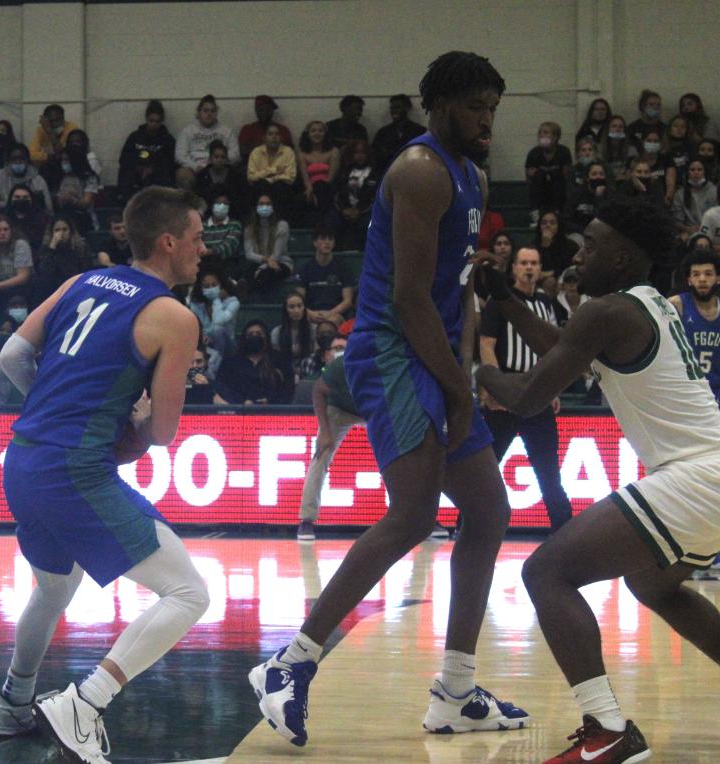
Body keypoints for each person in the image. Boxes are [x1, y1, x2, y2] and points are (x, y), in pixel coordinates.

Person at [249, 51, 527, 748]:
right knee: (412, 515)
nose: (486, 121)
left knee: (489, 508)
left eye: (492, 108)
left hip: (432, 349)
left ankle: (457, 691)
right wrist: (455, 387)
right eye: (473, 108)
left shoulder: (473, 174)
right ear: (437, 107)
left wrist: (463, 376)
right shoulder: (419, 171)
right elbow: (407, 298)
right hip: (393, 349)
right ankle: (290, 663)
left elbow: (457, 290)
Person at [474, 197, 720, 763]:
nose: (579, 252)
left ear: (623, 254)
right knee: (654, 586)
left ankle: (607, 729)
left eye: (592, 243)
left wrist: (477, 371)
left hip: (699, 477)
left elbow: (528, 394)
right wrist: (507, 302)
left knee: (545, 572)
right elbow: (565, 351)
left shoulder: (607, 311)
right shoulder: (646, 304)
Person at [0, 186, 210, 763]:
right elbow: (160, 433)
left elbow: (11, 356)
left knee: (55, 587)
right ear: (168, 242)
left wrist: (56, 409)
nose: (203, 250)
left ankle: (13, 702)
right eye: (198, 238)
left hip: (24, 459)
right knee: (188, 593)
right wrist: (117, 424)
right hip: (71, 470)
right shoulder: (174, 317)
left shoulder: (80, 282)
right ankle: (85, 703)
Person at [479, 246, 573, 532]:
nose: (529, 268)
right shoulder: (500, 302)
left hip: (537, 393)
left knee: (548, 472)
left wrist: (553, 388)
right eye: (523, 263)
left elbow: (552, 350)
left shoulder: (548, 304)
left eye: (534, 263)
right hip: (506, 391)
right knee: (486, 468)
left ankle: (564, 532)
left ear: (540, 267)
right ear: (514, 268)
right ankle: (467, 526)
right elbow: (486, 344)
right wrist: (495, 387)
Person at [668, 248, 720, 419]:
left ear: (718, 278)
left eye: (708, 273)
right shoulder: (675, 305)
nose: (702, 279)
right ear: (689, 280)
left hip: (714, 393)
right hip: (682, 392)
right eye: (696, 274)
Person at [296, 333, 363, 538]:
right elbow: (318, 391)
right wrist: (325, 432)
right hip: (339, 408)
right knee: (321, 454)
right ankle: (306, 520)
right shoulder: (340, 364)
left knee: (402, 456)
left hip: (375, 410)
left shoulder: (385, 364)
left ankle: (422, 518)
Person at [213, 319, 294, 405]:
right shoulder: (231, 360)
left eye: (259, 334)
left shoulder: (280, 359)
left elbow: (288, 388)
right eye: (250, 334)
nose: (254, 336)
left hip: (272, 411)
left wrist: (271, 401)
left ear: (266, 336)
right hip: (238, 410)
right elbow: (221, 386)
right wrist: (241, 401)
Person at [175, 95, 240, 189]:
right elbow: (180, 155)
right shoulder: (187, 131)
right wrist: (195, 166)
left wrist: (219, 162)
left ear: (216, 113)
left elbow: (236, 154)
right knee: (182, 174)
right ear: (199, 112)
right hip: (195, 168)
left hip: (220, 167)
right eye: (205, 111)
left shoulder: (226, 131)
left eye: (212, 111)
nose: (209, 114)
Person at [295, 225, 355, 327]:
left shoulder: (343, 267)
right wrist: (310, 313)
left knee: (332, 323)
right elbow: (298, 299)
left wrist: (329, 314)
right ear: (315, 243)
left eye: (330, 239)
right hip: (312, 314)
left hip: (336, 314)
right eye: (323, 239)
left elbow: (347, 301)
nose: (327, 242)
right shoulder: (305, 269)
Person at [32, 215, 92, 307]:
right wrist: (52, 247)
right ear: (52, 233)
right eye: (57, 230)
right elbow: (45, 273)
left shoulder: (80, 248)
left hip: (75, 290)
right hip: (52, 292)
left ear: (70, 232)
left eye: (64, 229)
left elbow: (85, 272)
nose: (61, 233)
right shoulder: (46, 250)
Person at [118, 100, 177, 194]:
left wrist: (153, 169)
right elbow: (124, 158)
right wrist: (138, 168)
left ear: (162, 121)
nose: (154, 124)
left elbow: (170, 163)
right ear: (146, 119)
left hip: (158, 176)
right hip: (136, 172)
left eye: (157, 121)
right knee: (126, 172)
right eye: (151, 120)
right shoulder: (134, 137)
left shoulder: (168, 140)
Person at [0, 144, 53, 216]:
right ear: (8, 161)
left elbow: (49, 209)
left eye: (21, 158)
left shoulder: (38, 180)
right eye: (14, 159)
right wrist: (10, 203)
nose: (18, 162)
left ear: (27, 160)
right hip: (7, 219)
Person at [243, 193, 292, 295]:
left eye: (268, 204)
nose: (264, 206)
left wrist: (261, 269)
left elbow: (276, 255)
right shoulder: (249, 229)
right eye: (261, 204)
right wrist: (264, 261)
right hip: (259, 263)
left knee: (266, 274)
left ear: (273, 207)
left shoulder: (282, 226)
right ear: (256, 207)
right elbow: (249, 254)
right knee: (245, 272)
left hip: (280, 263)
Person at [526, 121, 572, 226]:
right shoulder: (534, 153)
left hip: (558, 188)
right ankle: (535, 214)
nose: (542, 135)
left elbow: (567, 175)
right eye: (540, 132)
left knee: (556, 176)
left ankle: (558, 212)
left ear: (555, 137)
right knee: (539, 175)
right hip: (540, 189)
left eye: (546, 132)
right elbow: (529, 176)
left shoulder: (563, 151)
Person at [246, 123, 297, 212]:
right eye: (270, 134)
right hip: (261, 187)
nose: (274, 137)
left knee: (278, 186)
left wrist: (267, 177)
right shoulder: (256, 152)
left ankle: (279, 220)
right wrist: (275, 170)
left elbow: (290, 178)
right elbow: (251, 177)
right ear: (264, 138)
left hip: (281, 188)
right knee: (261, 184)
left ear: (281, 137)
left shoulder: (288, 152)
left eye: (277, 134)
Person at [372, 94, 427, 175]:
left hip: (414, 173)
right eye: (392, 108)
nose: (394, 111)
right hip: (387, 174)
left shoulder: (419, 131)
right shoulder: (383, 132)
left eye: (397, 107)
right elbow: (376, 157)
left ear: (407, 108)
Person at [297, 121, 340, 218]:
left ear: (325, 134)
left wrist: (317, 192)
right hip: (309, 188)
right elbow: (305, 176)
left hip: (328, 187)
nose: (317, 133)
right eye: (313, 131)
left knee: (322, 187)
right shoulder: (302, 154)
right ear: (307, 134)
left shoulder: (334, 151)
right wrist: (310, 190)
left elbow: (331, 178)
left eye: (320, 131)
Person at [194, 140, 245, 215]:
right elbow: (199, 197)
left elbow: (239, 197)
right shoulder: (202, 175)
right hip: (208, 212)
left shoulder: (234, 174)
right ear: (210, 159)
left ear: (226, 159)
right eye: (216, 157)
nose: (219, 160)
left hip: (231, 212)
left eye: (222, 157)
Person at [671, 159, 717, 241]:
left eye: (699, 170)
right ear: (687, 173)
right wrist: (688, 229)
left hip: (711, 230)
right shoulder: (680, 194)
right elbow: (677, 220)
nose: (696, 173)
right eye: (692, 170)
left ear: (705, 172)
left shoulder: (714, 190)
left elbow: (719, 216)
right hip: (688, 231)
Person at [201, 189, 243, 276]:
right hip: (203, 263)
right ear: (212, 205)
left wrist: (210, 251)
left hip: (226, 264)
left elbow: (229, 245)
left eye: (225, 203)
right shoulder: (202, 225)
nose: (222, 206)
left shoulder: (234, 224)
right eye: (218, 203)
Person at [238, 94, 293, 160]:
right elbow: (243, 152)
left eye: (268, 109)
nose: (264, 112)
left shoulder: (283, 130)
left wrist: (256, 147)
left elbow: (289, 152)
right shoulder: (247, 129)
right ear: (256, 110)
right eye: (261, 109)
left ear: (272, 111)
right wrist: (271, 146)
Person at [28, 104, 78, 169]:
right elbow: (31, 154)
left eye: (57, 120)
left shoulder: (72, 129)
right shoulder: (41, 130)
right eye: (51, 121)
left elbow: (65, 155)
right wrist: (49, 157)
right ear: (46, 121)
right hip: (49, 168)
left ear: (63, 118)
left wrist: (51, 133)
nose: (54, 124)